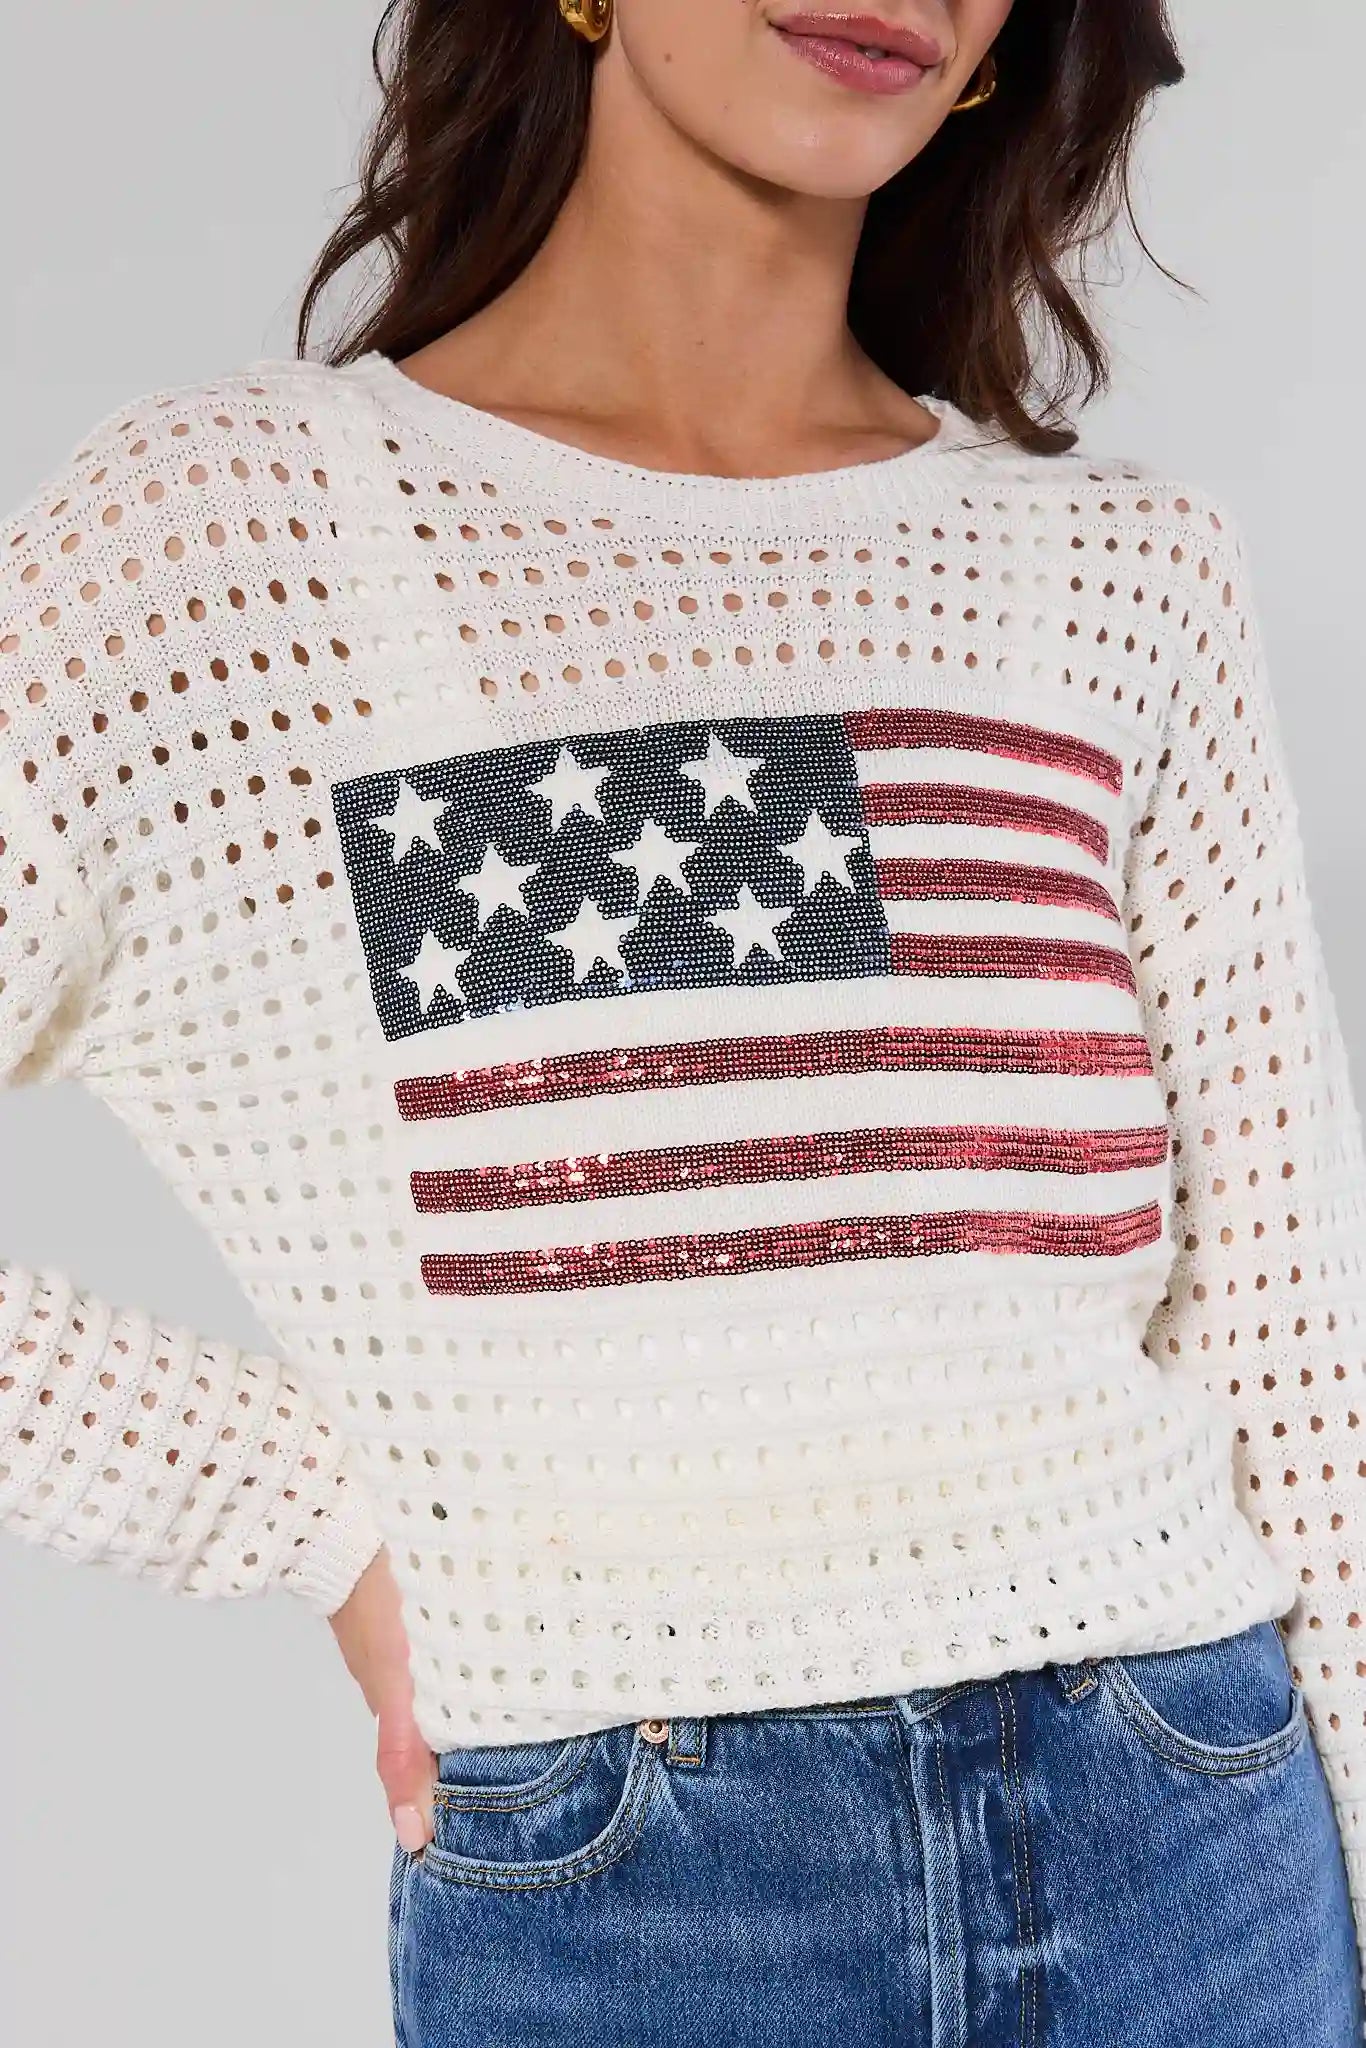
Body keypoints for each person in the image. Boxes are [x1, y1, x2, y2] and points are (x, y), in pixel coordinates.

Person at [1, 1, 1362, 2041]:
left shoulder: (1114, 572)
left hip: (1197, 1830)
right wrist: (305, 1507)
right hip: (651, 1893)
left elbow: (1284, 1332)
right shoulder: (225, 551)